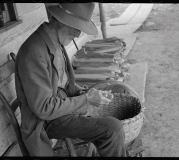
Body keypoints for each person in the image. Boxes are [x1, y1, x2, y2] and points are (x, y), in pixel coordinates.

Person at [14, 3, 127, 157]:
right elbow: (44, 109)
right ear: (62, 21)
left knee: (120, 89)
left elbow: (65, 83)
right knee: (113, 129)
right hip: (48, 121)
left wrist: (85, 92)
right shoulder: (34, 52)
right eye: (77, 28)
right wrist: (86, 99)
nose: (78, 34)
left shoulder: (55, 40)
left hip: (65, 104)